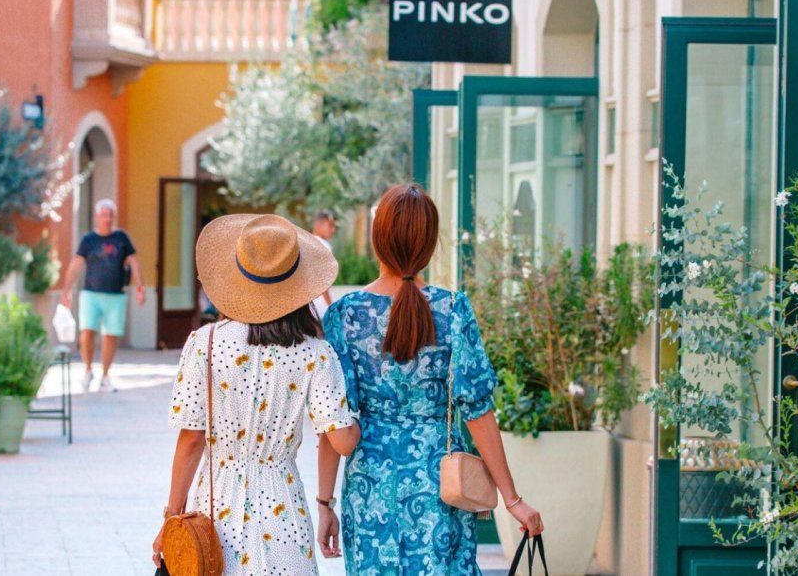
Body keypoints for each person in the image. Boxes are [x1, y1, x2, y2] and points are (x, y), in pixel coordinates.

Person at [318, 183, 544, 574]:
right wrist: (512, 500)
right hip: (440, 487)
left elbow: (333, 422)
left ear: (377, 241)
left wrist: (325, 504)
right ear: (429, 244)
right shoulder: (454, 309)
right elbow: (478, 411)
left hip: (370, 490)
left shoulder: (344, 316)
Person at [153, 214, 360, 574]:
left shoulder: (207, 344)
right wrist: (358, 418)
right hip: (283, 506)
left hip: (216, 511)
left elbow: (190, 440)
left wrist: (171, 517)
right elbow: (341, 440)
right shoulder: (315, 353)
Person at [59, 199, 145, 393]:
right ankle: (88, 370)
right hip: (91, 294)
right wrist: (66, 292)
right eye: (104, 215)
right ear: (97, 217)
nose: (107, 219)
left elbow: (134, 262)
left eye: (110, 215)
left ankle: (105, 376)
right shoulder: (88, 240)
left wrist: (140, 287)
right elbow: (75, 265)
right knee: (87, 332)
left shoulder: (121, 238)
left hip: (115, 295)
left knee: (110, 336)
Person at [310, 210, 338, 317]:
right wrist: (330, 306)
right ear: (318, 225)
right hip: (320, 306)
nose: (333, 229)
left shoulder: (306, 242)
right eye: (330, 225)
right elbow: (322, 281)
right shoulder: (323, 245)